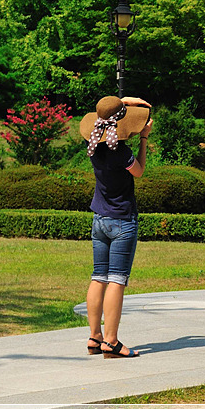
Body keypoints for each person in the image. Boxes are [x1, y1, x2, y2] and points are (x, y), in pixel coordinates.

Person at [79, 95, 153, 358]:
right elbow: (139, 171)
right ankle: (111, 341)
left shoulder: (93, 144)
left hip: (99, 219)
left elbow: (108, 111)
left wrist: (121, 102)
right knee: (117, 280)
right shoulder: (121, 152)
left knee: (98, 276)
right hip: (122, 220)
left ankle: (95, 337)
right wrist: (143, 139)